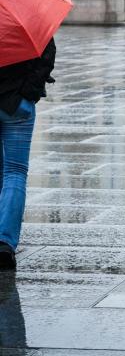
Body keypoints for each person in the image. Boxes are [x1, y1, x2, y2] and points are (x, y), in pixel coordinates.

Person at [0, 39, 56, 269]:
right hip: (17, 104)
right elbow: (47, 54)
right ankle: (4, 242)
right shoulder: (27, 16)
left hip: (16, 100)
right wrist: (28, 92)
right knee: (15, 172)